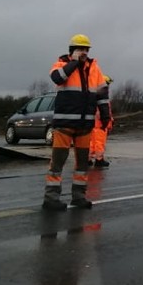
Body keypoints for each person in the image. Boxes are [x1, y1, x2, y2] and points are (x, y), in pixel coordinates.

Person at [41, 34, 111, 211]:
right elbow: (57, 78)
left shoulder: (94, 68)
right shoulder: (62, 64)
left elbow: (102, 94)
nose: (84, 52)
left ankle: (79, 197)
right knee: (58, 162)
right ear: (72, 50)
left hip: (85, 125)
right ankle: (51, 198)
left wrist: (105, 115)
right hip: (64, 124)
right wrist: (73, 63)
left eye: (86, 49)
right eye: (81, 49)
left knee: (82, 164)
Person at [89, 75, 114, 168]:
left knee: (91, 143)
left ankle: (88, 159)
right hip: (100, 124)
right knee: (99, 143)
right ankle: (99, 160)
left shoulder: (93, 95)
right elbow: (104, 112)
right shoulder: (102, 97)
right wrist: (107, 121)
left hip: (94, 124)